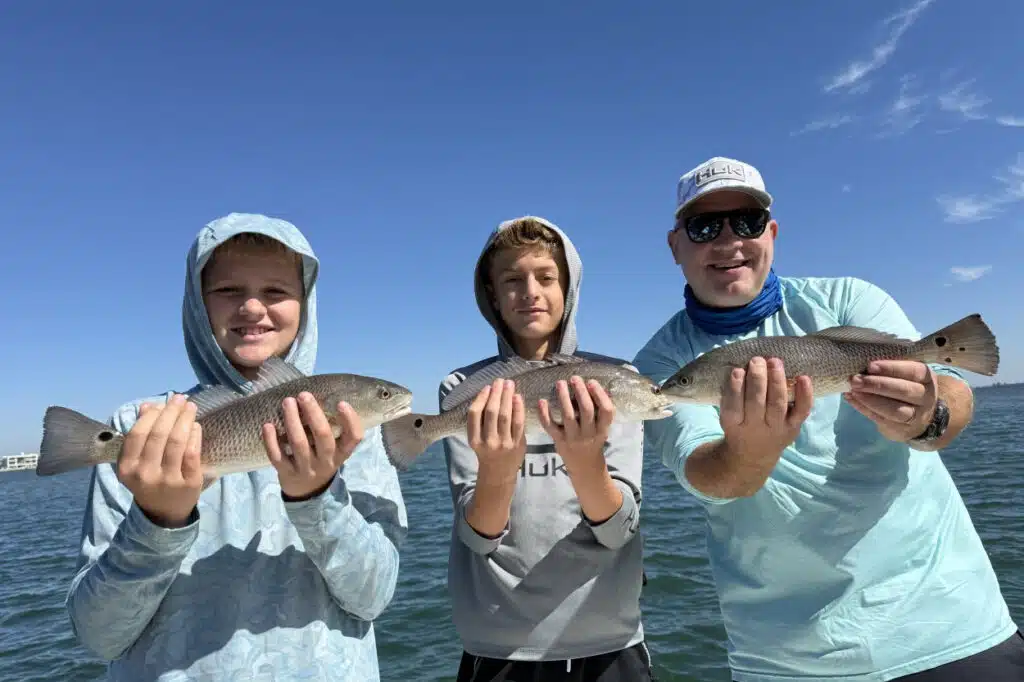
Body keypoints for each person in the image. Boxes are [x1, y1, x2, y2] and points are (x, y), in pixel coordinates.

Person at [633, 156, 1023, 681]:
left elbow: (951, 392)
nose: (728, 242)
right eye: (704, 227)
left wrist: (926, 415)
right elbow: (706, 472)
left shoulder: (848, 299)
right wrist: (749, 452)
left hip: (950, 628)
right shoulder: (663, 365)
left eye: (746, 223)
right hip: (788, 661)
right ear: (675, 245)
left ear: (771, 232)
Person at [65, 213, 408, 681]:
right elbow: (99, 637)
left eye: (276, 292)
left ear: (306, 305)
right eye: (228, 291)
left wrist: (316, 497)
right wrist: (158, 521)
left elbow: (373, 598)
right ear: (195, 304)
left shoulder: (357, 434)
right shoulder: (142, 427)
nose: (252, 307)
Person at [439, 216, 655, 681]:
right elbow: (477, 538)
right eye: (512, 280)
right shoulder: (462, 388)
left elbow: (620, 531)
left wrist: (584, 460)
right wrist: (497, 470)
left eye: (546, 277)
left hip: (610, 646)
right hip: (496, 650)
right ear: (492, 295)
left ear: (569, 286)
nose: (530, 291)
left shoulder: (617, 380)